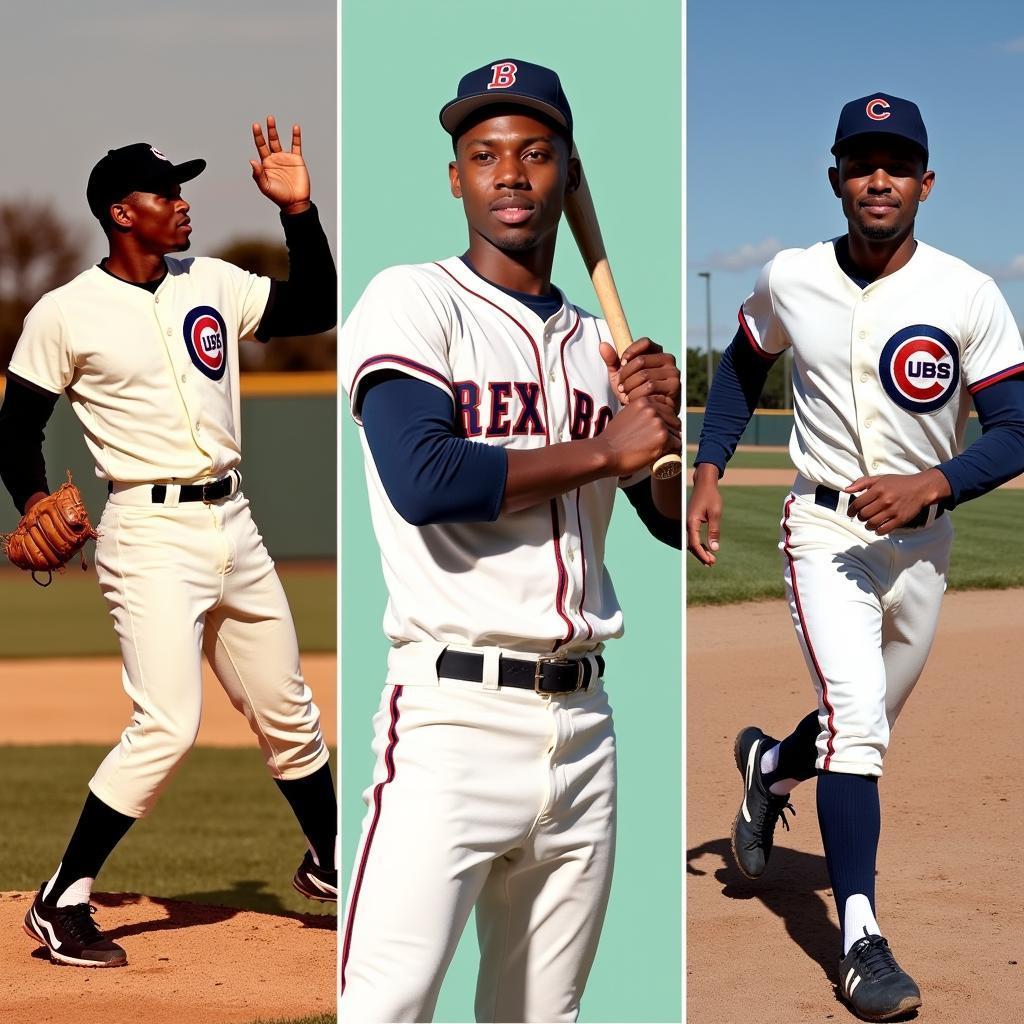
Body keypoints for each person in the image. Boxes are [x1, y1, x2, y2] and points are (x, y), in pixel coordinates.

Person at [339, 59, 682, 1023]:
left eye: (536, 153)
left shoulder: (600, 345)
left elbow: (661, 522)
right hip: (452, 718)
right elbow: (425, 480)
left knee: (541, 1016)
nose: (510, 174)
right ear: (456, 178)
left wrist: (659, 439)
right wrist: (604, 443)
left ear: (569, 174)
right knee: (387, 1007)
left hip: (584, 728)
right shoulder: (412, 301)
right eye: (484, 154)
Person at [688, 92, 1024, 1021]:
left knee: (859, 719)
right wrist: (709, 465)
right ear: (834, 176)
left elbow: (1018, 427)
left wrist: (936, 482)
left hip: (923, 543)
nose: (880, 178)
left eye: (898, 163)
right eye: (862, 161)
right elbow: (745, 361)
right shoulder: (791, 275)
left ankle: (770, 772)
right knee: (860, 725)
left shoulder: (966, 293)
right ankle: (862, 938)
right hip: (824, 532)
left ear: (926, 182)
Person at [0, 117, 338, 968]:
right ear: (122, 211)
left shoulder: (213, 281)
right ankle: (62, 897)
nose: (183, 204)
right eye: (167, 192)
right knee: (168, 723)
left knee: (288, 710)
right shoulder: (65, 311)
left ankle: (332, 863)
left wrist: (300, 213)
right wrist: (35, 498)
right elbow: (15, 429)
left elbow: (317, 307)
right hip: (147, 533)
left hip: (236, 521)